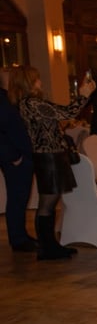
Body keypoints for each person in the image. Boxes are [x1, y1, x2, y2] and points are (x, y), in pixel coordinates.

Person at [8, 65, 95, 260]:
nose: (40, 81)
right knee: (48, 203)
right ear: (29, 82)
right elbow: (68, 112)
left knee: (49, 202)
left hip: (47, 156)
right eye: (37, 79)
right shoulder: (32, 103)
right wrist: (83, 95)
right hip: (49, 157)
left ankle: (50, 246)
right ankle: (48, 248)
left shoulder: (25, 103)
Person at [0, 67, 38, 252]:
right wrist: (14, 156)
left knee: (22, 196)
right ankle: (18, 238)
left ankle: (21, 234)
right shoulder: (2, 99)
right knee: (17, 197)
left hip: (21, 154)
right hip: (15, 157)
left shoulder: (10, 97)